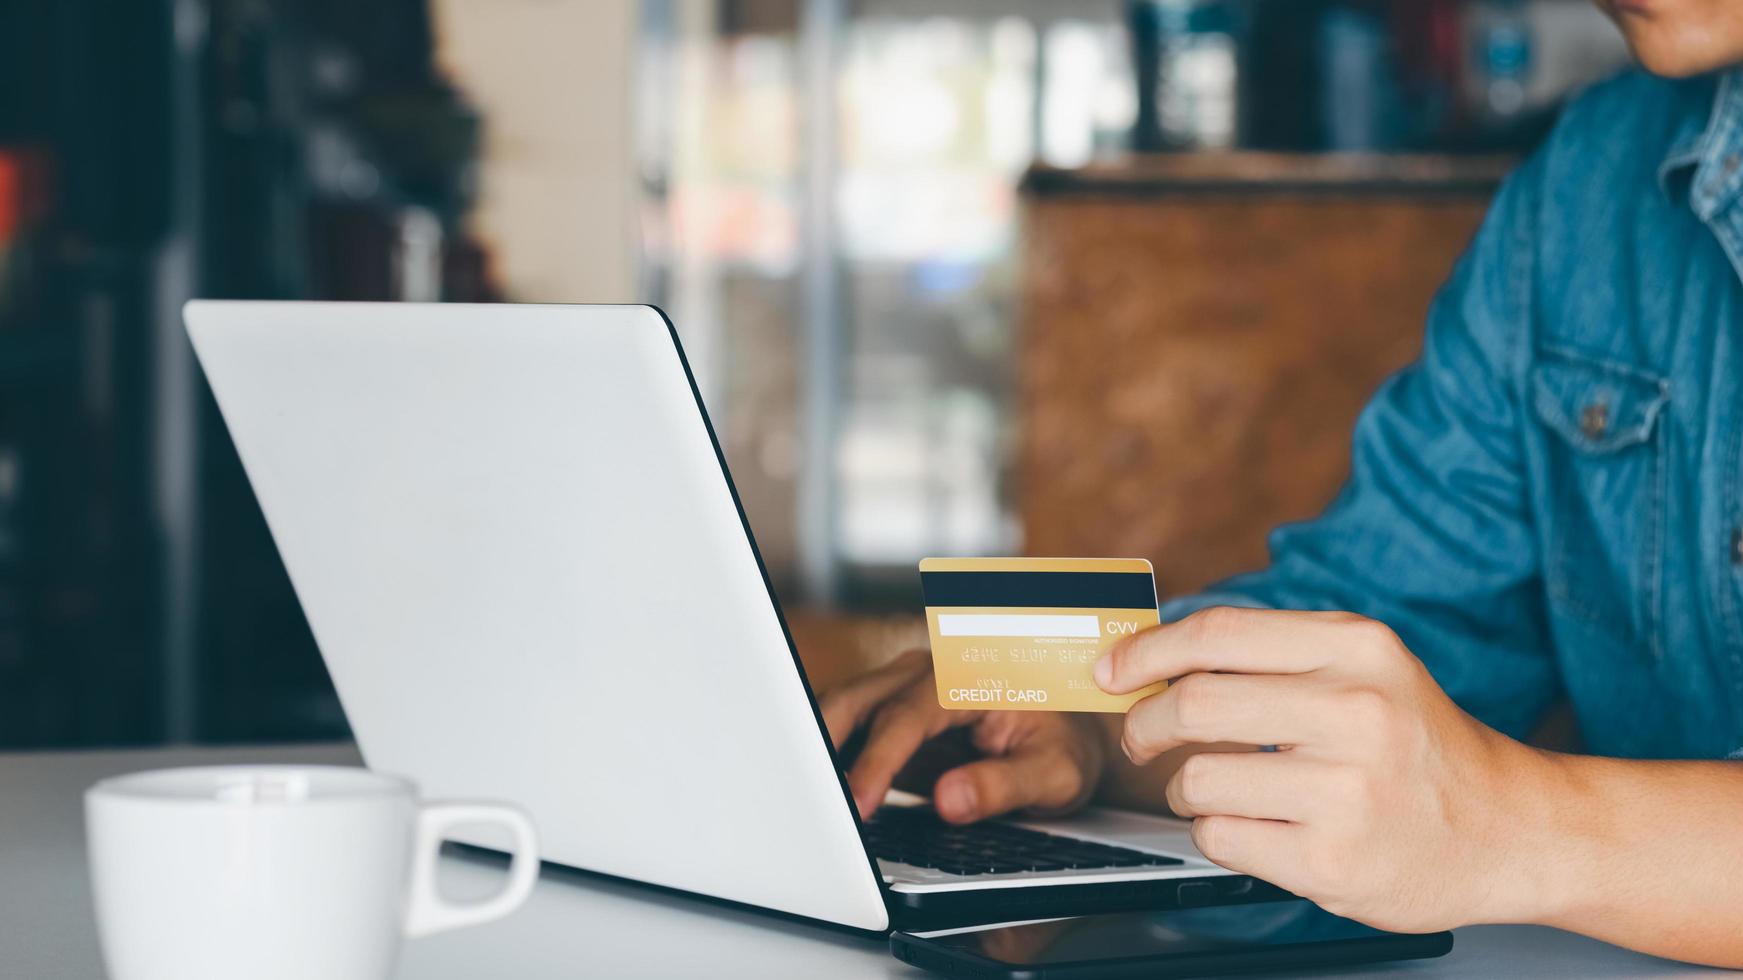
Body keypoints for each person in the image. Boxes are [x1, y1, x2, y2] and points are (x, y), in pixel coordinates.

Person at [819, 0, 1743, 968]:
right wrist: (1089, 713)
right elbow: (1383, 629)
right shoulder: (1585, 191)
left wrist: (1513, 819)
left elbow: (1459, 799)